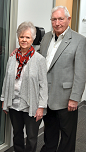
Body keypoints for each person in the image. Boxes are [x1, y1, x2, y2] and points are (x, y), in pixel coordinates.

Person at [40, 6, 86, 152]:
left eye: (61, 19)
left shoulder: (79, 40)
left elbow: (81, 72)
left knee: (67, 135)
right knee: (50, 132)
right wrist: (21, 50)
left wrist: (75, 97)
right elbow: (40, 58)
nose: (57, 23)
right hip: (47, 95)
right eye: (54, 19)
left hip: (67, 98)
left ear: (68, 19)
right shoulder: (46, 37)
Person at [1, 21, 48, 152]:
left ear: (33, 39)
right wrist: (4, 99)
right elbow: (7, 80)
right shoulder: (12, 58)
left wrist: (41, 107)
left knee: (32, 137)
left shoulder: (39, 60)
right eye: (21, 37)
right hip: (14, 103)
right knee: (17, 134)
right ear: (18, 38)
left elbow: (43, 85)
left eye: (27, 37)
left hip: (32, 105)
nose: (24, 40)